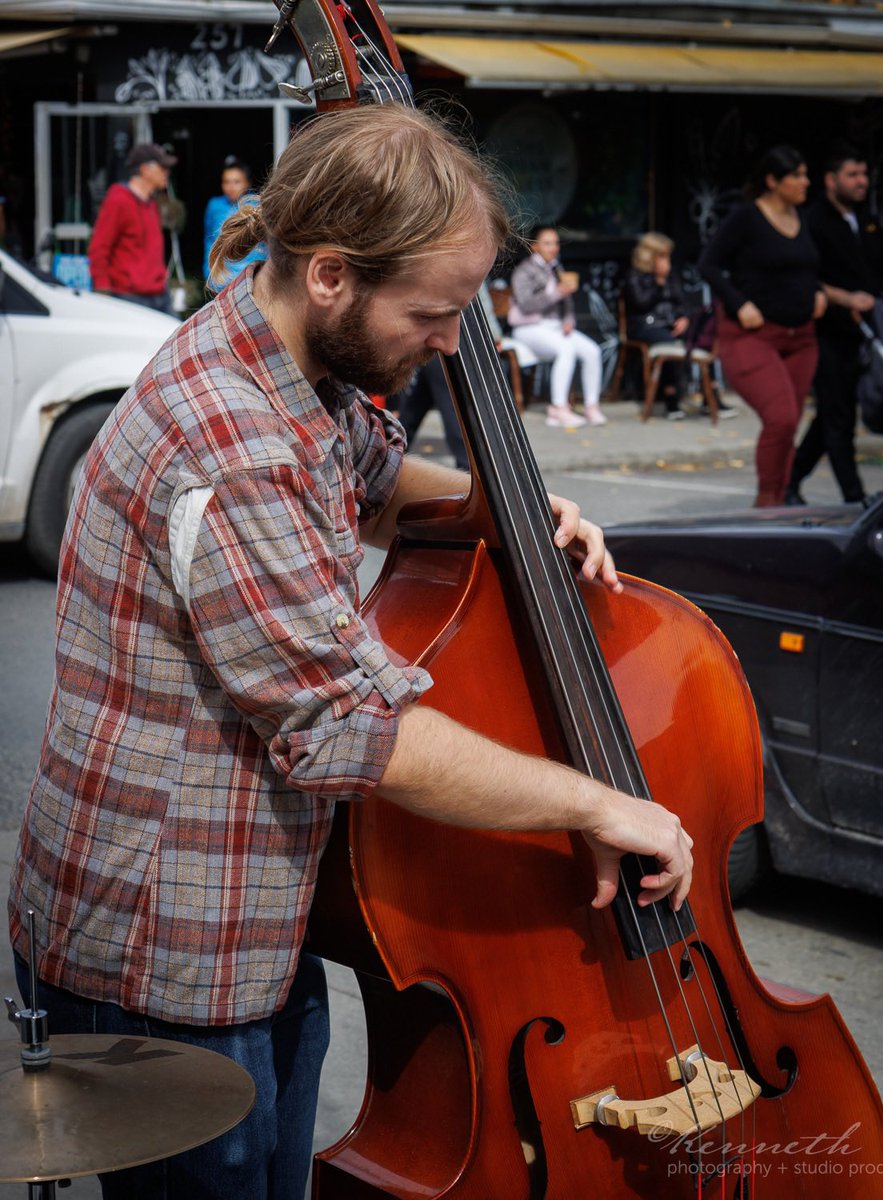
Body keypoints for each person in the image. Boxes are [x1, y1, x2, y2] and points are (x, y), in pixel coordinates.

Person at [8, 104, 692, 1200]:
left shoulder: (286, 345)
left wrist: (507, 506)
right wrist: (598, 803)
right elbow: (348, 729)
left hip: (256, 916)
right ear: (331, 273)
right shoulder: (228, 442)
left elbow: (373, 479)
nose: (451, 341)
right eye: (433, 311)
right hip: (170, 950)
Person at [786, 143, 883, 505]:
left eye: (864, 174)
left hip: (861, 335)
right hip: (824, 332)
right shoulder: (812, 221)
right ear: (831, 179)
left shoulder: (865, 219)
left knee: (832, 416)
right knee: (839, 417)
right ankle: (855, 499)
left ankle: (789, 483)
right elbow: (805, 278)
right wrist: (846, 299)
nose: (861, 181)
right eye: (852, 175)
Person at [699, 145, 826, 506]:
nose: (806, 181)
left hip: (802, 338)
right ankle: (767, 504)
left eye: (805, 173)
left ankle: (782, 498)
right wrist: (739, 303)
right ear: (773, 180)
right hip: (752, 336)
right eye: (797, 175)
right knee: (781, 418)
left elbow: (806, 268)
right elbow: (708, 265)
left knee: (790, 424)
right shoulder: (747, 218)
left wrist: (817, 290)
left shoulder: (804, 218)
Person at [508, 225, 606, 428]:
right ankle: (558, 407)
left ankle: (591, 405)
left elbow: (567, 303)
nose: (553, 247)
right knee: (566, 349)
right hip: (530, 327)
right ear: (534, 247)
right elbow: (525, 303)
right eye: (547, 243)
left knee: (592, 351)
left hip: (555, 327)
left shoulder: (556, 268)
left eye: (555, 243)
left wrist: (569, 320)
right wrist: (556, 293)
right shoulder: (524, 270)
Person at [87, 141, 178, 315]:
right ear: (145, 170)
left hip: (159, 294)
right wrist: (103, 293)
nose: (167, 173)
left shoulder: (151, 202)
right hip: (129, 298)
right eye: (162, 167)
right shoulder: (118, 200)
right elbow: (99, 249)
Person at [623, 231, 691, 419]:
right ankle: (671, 398)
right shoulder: (634, 275)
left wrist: (683, 318)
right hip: (645, 326)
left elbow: (682, 301)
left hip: (670, 324)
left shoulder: (672, 274)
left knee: (700, 338)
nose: (666, 260)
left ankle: (712, 396)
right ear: (650, 255)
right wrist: (659, 282)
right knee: (669, 345)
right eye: (662, 255)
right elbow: (640, 303)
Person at [203, 156, 267, 291]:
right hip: (222, 279)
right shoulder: (215, 205)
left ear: (247, 183)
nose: (230, 187)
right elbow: (210, 239)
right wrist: (209, 271)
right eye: (226, 182)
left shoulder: (257, 205)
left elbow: (264, 244)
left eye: (236, 181)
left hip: (251, 278)